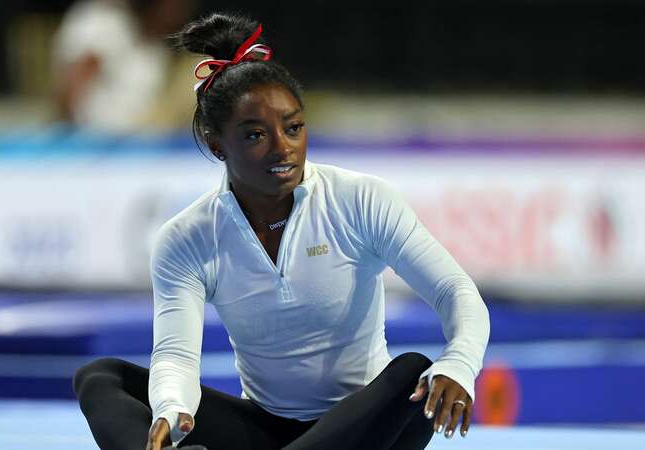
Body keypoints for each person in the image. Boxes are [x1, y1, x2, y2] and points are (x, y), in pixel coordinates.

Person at [73, 13, 490, 450]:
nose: (283, 147)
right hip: (261, 429)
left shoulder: (359, 200)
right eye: (255, 135)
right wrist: (171, 409)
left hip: (367, 429)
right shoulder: (188, 238)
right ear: (218, 145)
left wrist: (458, 365)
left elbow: (456, 291)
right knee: (101, 377)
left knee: (412, 371)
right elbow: (176, 357)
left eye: (293, 127)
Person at [52, 0, 197, 132]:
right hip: (95, 140)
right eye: (172, 5)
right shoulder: (104, 22)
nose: (179, 13)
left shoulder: (159, 49)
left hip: (142, 144)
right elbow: (69, 93)